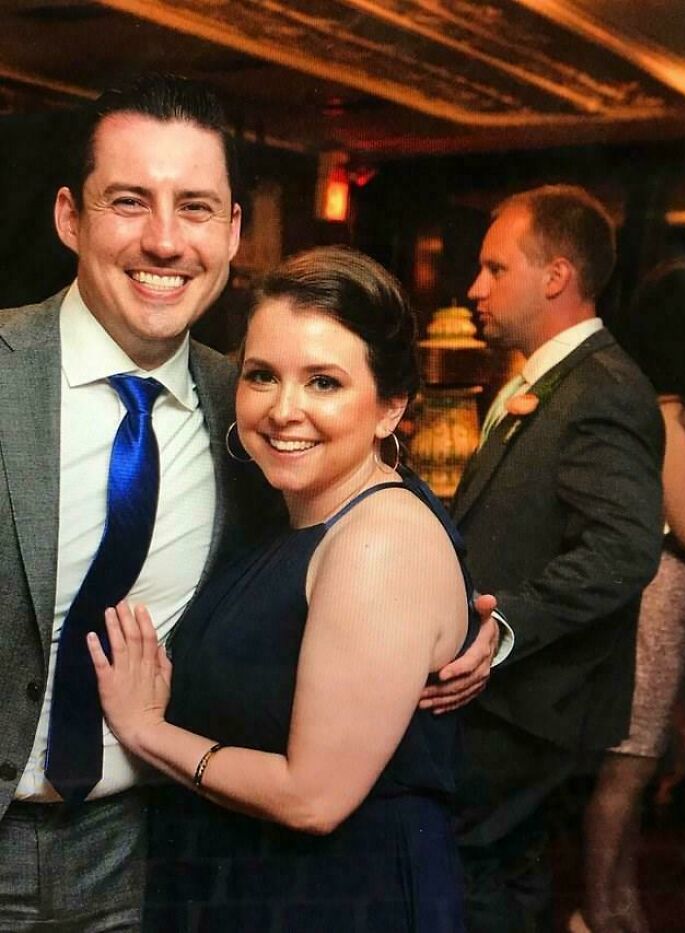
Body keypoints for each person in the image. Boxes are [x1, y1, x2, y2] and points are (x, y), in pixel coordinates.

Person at [88, 245, 487, 931]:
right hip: (269, 887)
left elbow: (314, 797)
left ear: (391, 406)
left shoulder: (376, 539)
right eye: (262, 375)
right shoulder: (294, 513)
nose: (283, 409)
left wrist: (146, 730)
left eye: (324, 382)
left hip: (341, 899)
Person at [0, 73, 276, 930]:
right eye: (129, 201)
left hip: (151, 852)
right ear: (69, 217)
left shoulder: (261, 408)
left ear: (232, 231)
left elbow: (378, 520)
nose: (165, 241)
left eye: (195, 207)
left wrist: (481, 625)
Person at [448, 185, 665, 931]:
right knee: (504, 873)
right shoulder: (548, 378)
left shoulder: (599, 388)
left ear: (555, 276)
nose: (475, 288)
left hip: (532, 699)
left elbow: (624, 548)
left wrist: (503, 625)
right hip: (515, 699)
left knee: (479, 872)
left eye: (493, 268)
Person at [574, 256, 685, 933]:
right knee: (628, 767)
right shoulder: (672, 411)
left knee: (639, 767)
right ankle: (596, 912)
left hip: (671, 609)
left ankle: (619, 906)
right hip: (659, 606)